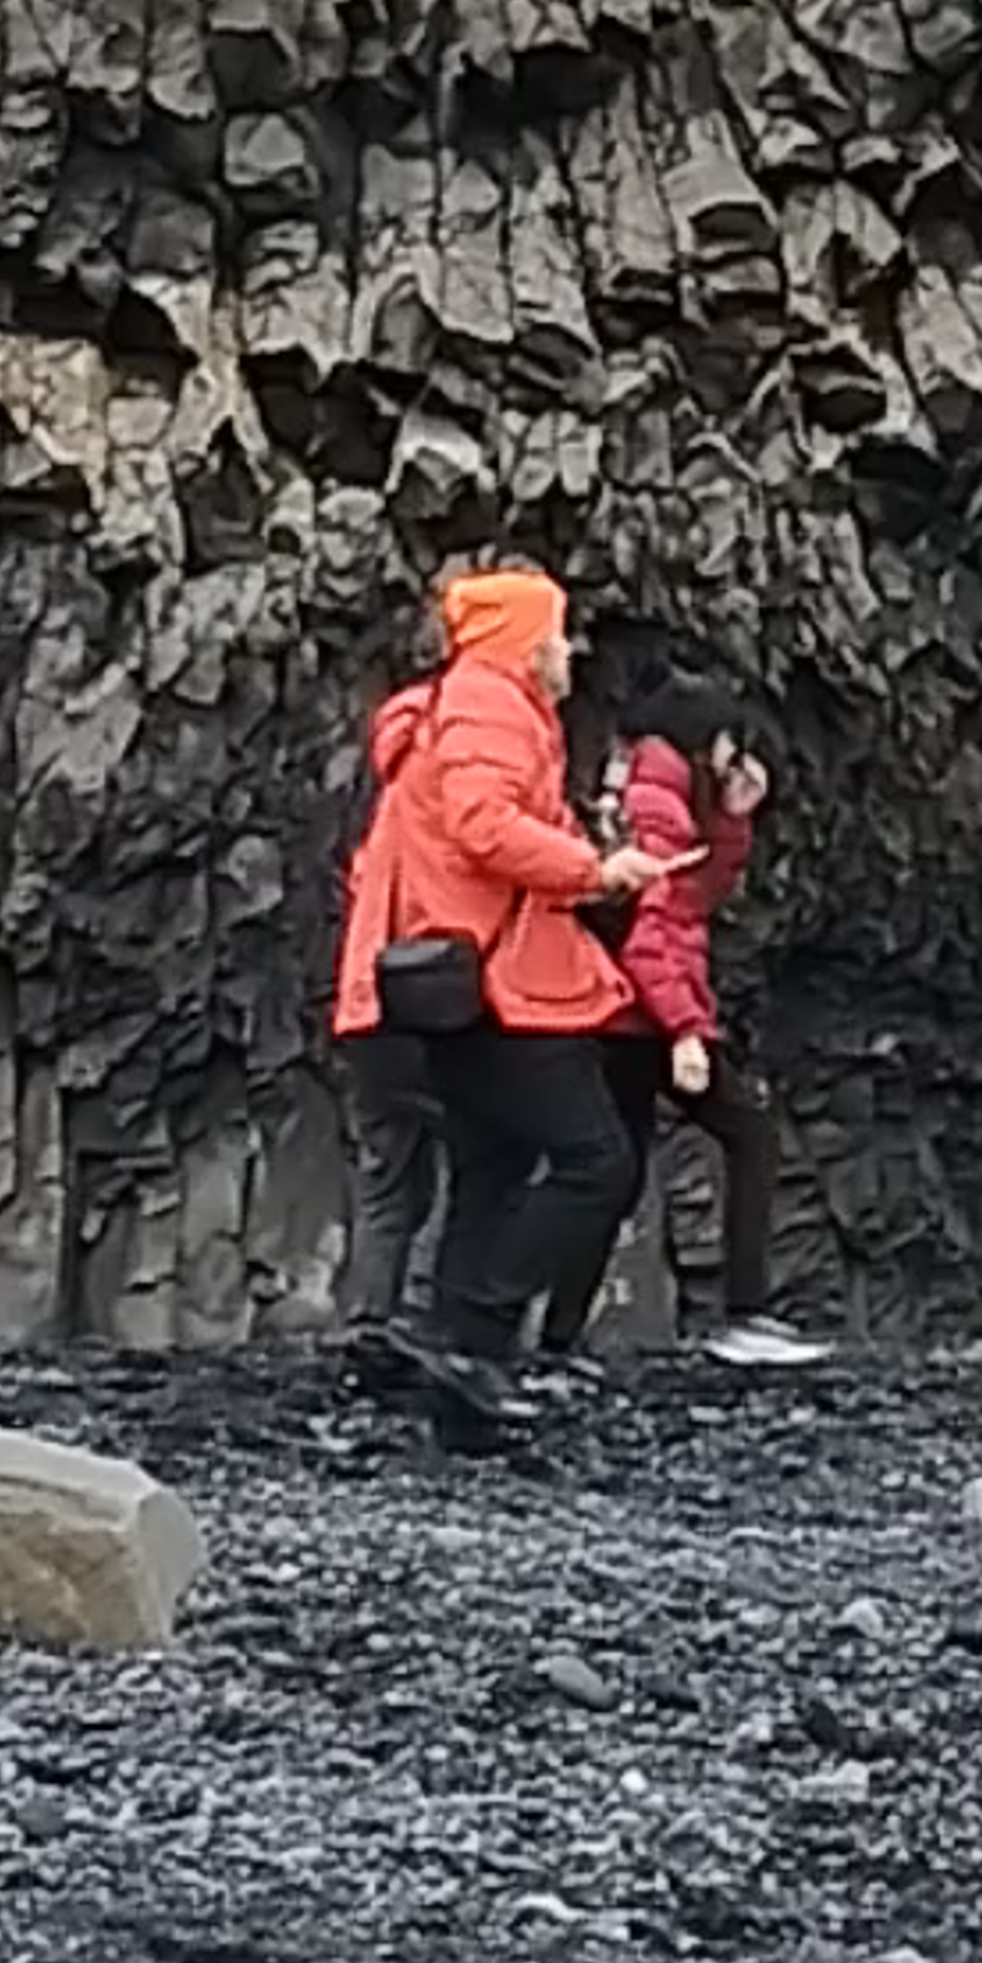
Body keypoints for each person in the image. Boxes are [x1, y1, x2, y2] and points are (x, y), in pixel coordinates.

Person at [350, 556, 666, 1415]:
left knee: (492, 1165)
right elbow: (485, 826)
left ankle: (459, 1358)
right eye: (557, 634)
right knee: (597, 1161)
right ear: (526, 644)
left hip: (461, 983)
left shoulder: (473, 705)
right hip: (503, 986)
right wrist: (596, 871)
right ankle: (480, 1322)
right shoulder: (490, 703)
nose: (568, 650)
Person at [569, 694, 829, 1371]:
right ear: (698, 738)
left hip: (624, 1013)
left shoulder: (657, 788)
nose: (733, 756)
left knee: (614, 1173)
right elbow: (652, 931)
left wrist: (735, 821)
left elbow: (690, 899)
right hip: (648, 1014)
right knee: (749, 1133)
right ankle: (743, 1314)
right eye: (726, 741)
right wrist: (685, 1028)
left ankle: (557, 1338)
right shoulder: (660, 802)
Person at [328, 660, 449, 1335]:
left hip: (365, 999)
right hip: (427, 997)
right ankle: (422, 1317)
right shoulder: (448, 774)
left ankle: (370, 1322)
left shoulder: (388, 780)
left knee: (389, 1177)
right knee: (480, 1156)